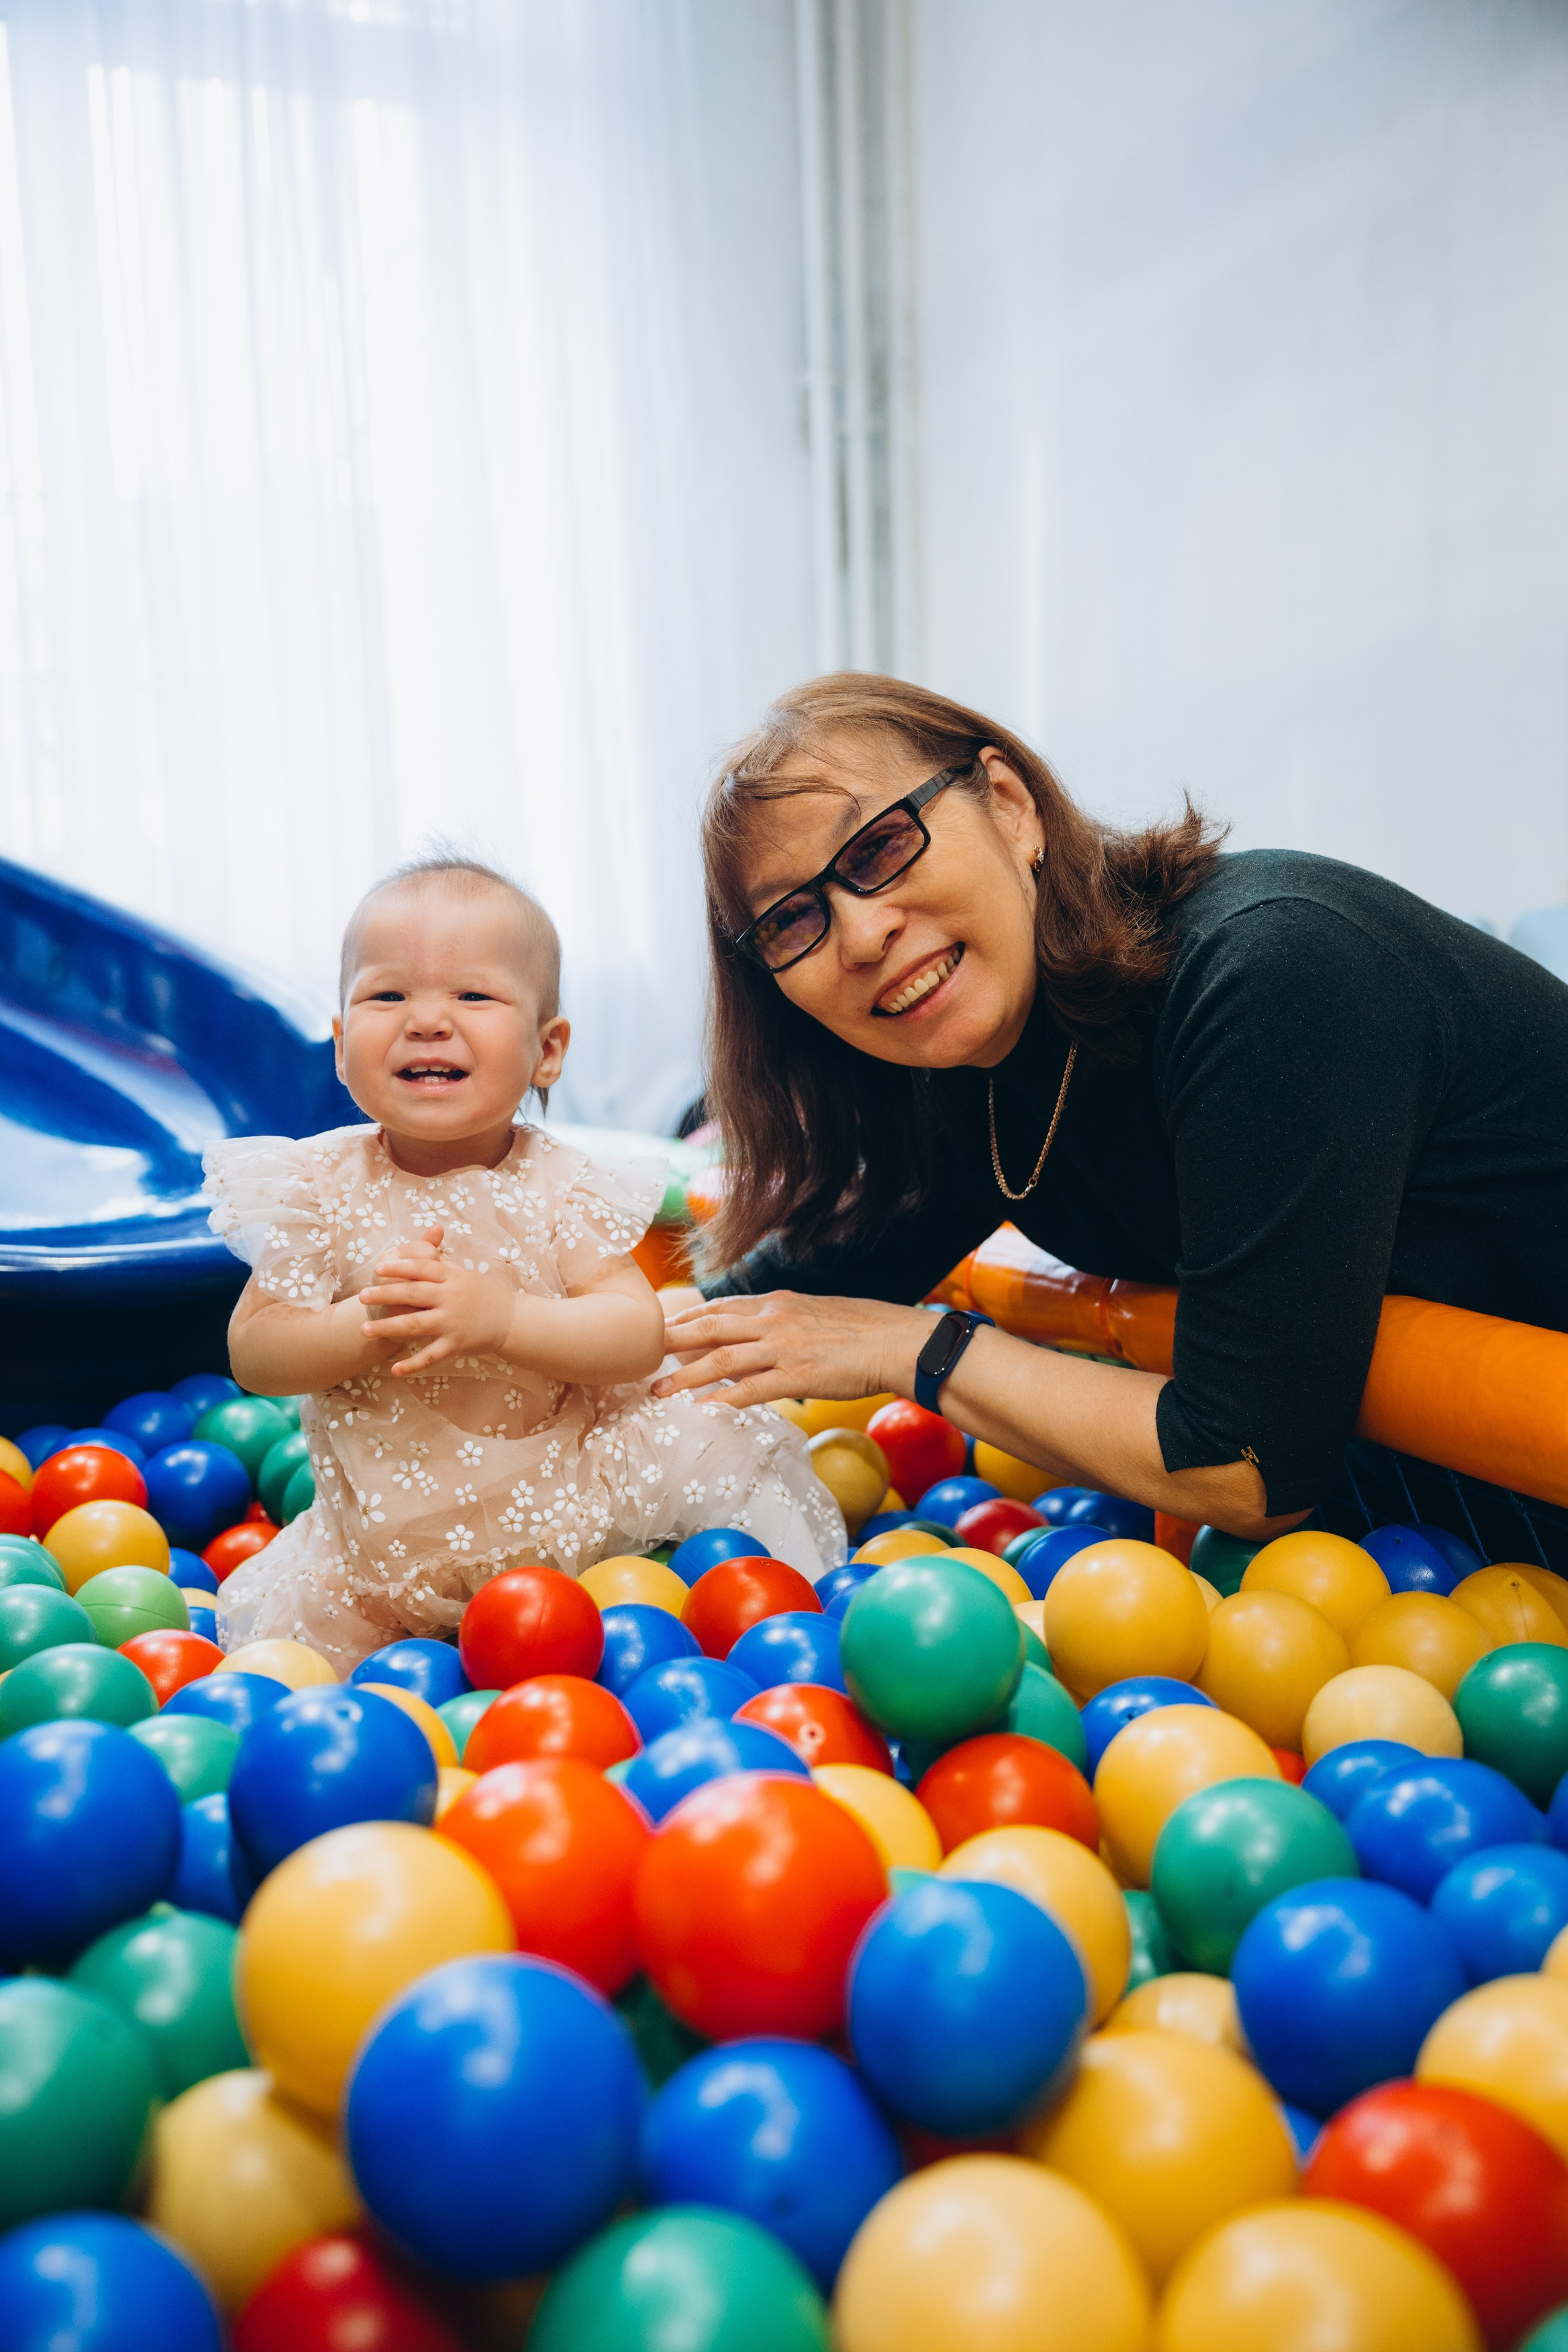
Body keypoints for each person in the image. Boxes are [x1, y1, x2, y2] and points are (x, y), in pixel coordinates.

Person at [655, 673, 1568, 1550]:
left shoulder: (1271, 974)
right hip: (1439, 1527)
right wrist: (553, 1338)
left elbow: (1245, 1463)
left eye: (882, 848)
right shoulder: (978, 1065)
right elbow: (781, 1301)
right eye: (790, 921)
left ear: (1011, 806)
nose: (861, 934)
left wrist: (916, 1351)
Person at [204, 853, 841, 1670]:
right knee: (316, 1673)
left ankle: (792, 1640)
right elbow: (255, 1350)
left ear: (548, 1051)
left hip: (566, 1495)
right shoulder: (318, 1190)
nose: (427, 1020)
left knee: (722, 1442)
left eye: (472, 995)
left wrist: (501, 1319)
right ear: (339, 1045)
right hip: (383, 1547)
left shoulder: (556, 1184)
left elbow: (634, 1334)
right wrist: (366, 1324)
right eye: (387, 994)